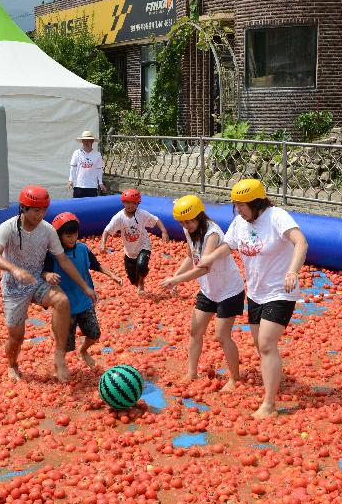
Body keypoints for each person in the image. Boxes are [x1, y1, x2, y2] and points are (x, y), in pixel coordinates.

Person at [198, 179, 309, 419]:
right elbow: (229, 245)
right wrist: (210, 258)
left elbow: (301, 242)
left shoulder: (277, 217)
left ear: (257, 203)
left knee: (267, 344)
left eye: (242, 206)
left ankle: (269, 405)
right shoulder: (240, 222)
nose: (238, 210)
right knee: (261, 346)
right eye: (236, 206)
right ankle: (274, 376)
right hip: (256, 293)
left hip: (280, 291)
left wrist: (293, 271)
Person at [0, 186, 96, 382]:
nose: (41, 215)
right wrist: (14, 269)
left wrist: (84, 286)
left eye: (44, 210)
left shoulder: (47, 230)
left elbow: (63, 260)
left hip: (37, 281)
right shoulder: (8, 227)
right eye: (36, 210)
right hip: (14, 288)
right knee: (17, 337)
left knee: (62, 301)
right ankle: (12, 365)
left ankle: (59, 355)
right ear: (23, 208)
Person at [160, 195, 245, 390]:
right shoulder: (188, 230)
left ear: (199, 215)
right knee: (195, 331)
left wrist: (175, 280)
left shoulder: (212, 234)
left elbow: (204, 267)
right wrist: (175, 276)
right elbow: (191, 257)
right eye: (182, 222)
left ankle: (234, 379)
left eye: (188, 221)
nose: (186, 225)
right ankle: (192, 372)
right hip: (208, 290)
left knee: (222, 336)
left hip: (229, 290)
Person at [43, 212, 122, 367]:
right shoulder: (53, 255)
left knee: (94, 335)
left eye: (75, 235)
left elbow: (96, 265)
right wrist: (48, 275)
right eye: (68, 236)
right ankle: (60, 362)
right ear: (59, 236)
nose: (73, 239)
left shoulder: (83, 249)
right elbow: (43, 271)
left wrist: (112, 275)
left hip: (85, 302)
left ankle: (84, 351)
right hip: (65, 306)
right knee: (66, 345)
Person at [100, 189, 169, 294]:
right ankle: (138, 280)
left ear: (138, 203)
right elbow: (107, 230)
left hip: (143, 245)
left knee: (141, 265)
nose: (130, 205)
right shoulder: (119, 217)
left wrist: (164, 231)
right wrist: (102, 244)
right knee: (132, 279)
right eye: (127, 202)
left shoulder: (141, 214)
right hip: (129, 251)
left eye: (133, 203)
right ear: (123, 202)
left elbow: (155, 220)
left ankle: (141, 281)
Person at [68, 130, 106, 198]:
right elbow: (73, 167)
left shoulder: (97, 154)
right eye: (84, 140)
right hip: (79, 185)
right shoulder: (77, 153)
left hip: (92, 186)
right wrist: (71, 180)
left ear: (92, 141)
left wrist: (100, 183)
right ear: (82, 141)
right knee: (77, 206)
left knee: (92, 206)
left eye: (89, 140)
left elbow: (99, 169)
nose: (86, 142)